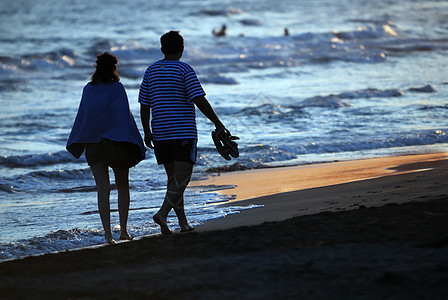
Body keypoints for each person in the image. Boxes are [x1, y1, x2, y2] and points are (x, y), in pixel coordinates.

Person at [139, 30, 227, 234]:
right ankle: (162, 214)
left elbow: (144, 104)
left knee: (174, 180)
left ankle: (183, 223)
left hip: (160, 133)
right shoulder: (184, 70)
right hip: (182, 132)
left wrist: (146, 130)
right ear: (182, 49)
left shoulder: (150, 71)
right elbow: (199, 99)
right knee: (182, 179)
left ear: (162, 49)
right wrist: (218, 123)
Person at [67, 52, 146, 245]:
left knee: (102, 189)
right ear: (113, 68)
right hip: (116, 144)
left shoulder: (88, 89)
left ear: (96, 68)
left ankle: (108, 236)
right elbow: (124, 119)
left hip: (94, 145)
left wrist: (80, 140)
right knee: (122, 186)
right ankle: (124, 232)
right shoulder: (117, 88)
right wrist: (137, 142)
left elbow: (83, 118)